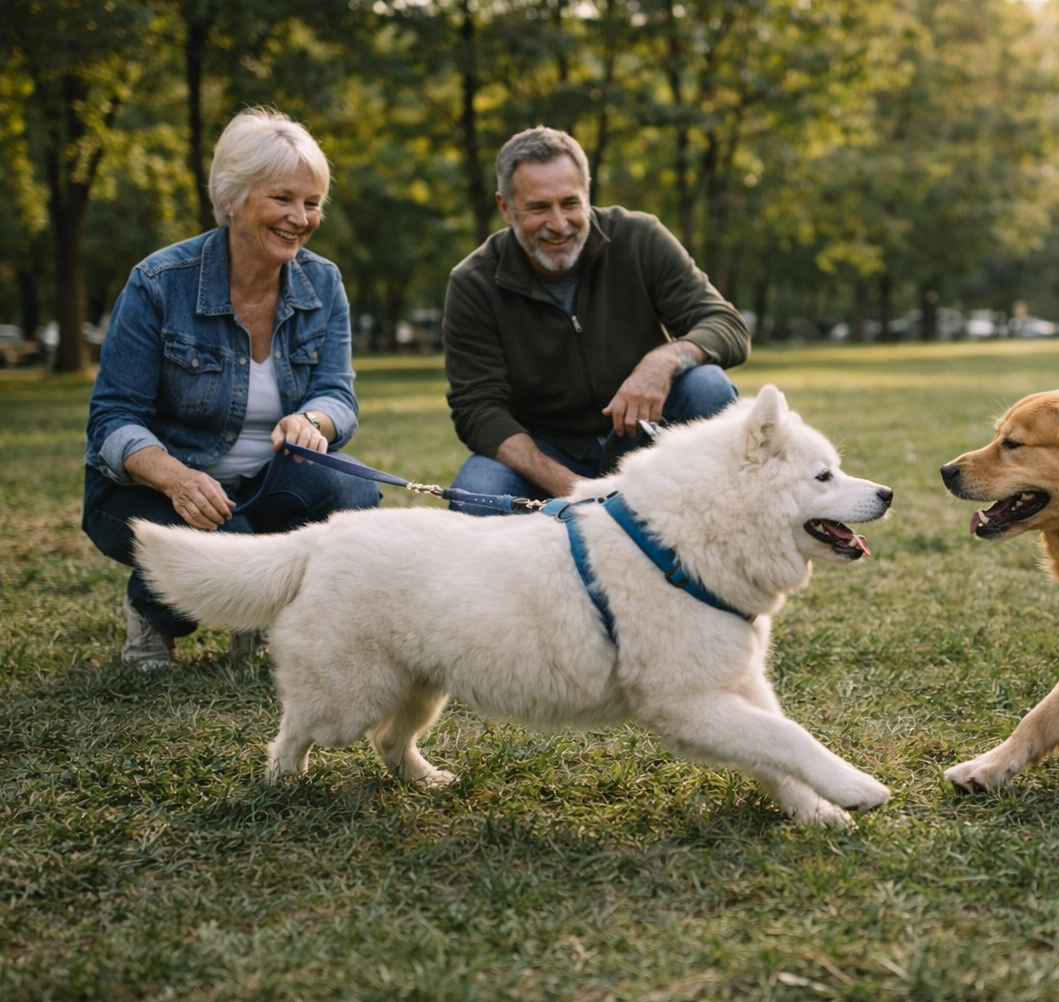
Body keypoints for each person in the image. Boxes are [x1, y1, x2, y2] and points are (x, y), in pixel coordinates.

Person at [83, 107, 381, 668]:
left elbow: (337, 395)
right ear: (232, 198)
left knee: (353, 496)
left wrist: (311, 422)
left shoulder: (323, 281)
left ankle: (257, 612)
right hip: (153, 488)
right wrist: (176, 478)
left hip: (262, 485)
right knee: (229, 545)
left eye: (312, 203)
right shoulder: (158, 282)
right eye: (283, 199)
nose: (301, 217)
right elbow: (112, 420)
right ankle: (155, 613)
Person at [442, 126, 750, 511]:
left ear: (587, 193)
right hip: (544, 453)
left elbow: (724, 324)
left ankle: (720, 532)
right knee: (476, 497)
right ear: (505, 208)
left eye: (570, 203)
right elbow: (478, 409)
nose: (558, 223)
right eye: (538, 208)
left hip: (645, 436)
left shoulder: (640, 238)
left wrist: (660, 362)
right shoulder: (473, 282)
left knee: (707, 386)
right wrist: (570, 485)